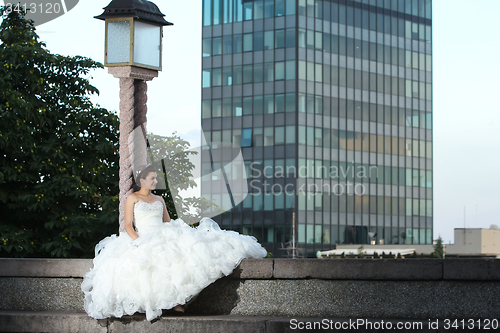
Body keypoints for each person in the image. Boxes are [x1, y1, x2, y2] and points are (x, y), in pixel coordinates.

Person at [81, 164, 267, 321]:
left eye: (156, 178)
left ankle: (177, 302)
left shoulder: (159, 199)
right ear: (143, 180)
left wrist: (175, 234)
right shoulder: (133, 198)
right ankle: (159, 303)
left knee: (178, 255)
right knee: (149, 262)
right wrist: (139, 241)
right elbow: (129, 225)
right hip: (143, 237)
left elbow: (168, 222)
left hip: (162, 233)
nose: (155, 181)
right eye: (152, 178)